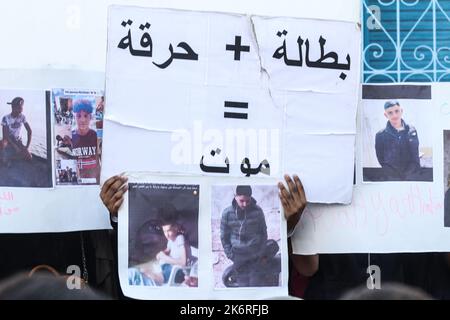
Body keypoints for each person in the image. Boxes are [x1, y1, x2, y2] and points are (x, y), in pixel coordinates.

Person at [220, 185, 280, 287]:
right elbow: (224, 236)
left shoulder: (258, 211)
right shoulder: (227, 213)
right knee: (243, 284)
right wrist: (230, 254)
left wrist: (260, 251)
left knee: (255, 283)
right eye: (241, 200)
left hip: (255, 253)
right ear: (235, 197)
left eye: (248, 201)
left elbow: (263, 233)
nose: (245, 204)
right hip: (238, 254)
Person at [375, 100, 420, 180]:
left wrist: (410, 175)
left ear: (401, 111)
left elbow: (415, 156)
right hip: (391, 178)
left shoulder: (412, 130)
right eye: (390, 113)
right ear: (385, 115)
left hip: (411, 176)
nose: (394, 115)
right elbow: (381, 160)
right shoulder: (380, 135)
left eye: (396, 111)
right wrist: (393, 176)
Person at [156, 210, 191, 285]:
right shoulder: (171, 239)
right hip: (170, 267)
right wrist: (162, 253)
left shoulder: (180, 239)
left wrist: (165, 258)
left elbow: (183, 262)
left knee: (155, 276)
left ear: (176, 228)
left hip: (179, 271)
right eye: (164, 231)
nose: (166, 235)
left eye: (169, 231)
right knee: (151, 269)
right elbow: (168, 249)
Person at [71, 99, 99, 183]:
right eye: (79, 116)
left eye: (86, 116)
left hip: (94, 178)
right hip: (78, 179)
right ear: (75, 117)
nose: (82, 120)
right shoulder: (72, 136)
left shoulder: (95, 135)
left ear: (90, 117)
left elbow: (98, 160)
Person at [0, 97, 32, 165]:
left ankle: (9, 158)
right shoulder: (6, 118)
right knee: (2, 144)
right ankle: (4, 156)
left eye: (21, 108)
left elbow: (29, 131)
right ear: (13, 107)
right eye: (19, 108)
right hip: (7, 140)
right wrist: (15, 147)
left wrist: (27, 147)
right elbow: (5, 135)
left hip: (18, 141)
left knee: (29, 157)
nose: (20, 111)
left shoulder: (22, 117)